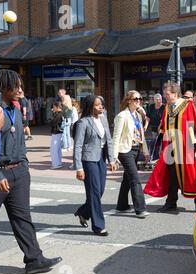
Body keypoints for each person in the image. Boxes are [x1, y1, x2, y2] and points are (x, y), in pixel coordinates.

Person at [0, 70, 62, 274]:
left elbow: (20, 142)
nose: (21, 90)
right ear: (4, 87)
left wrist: (24, 165)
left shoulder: (15, 109)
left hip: (19, 173)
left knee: (23, 218)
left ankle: (34, 259)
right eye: (16, 86)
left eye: (21, 85)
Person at [144, 82, 196, 213]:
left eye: (168, 94)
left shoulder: (187, 105)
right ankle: (171, 202)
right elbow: (164, 126)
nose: (166, 97)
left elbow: (195, 123)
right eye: (165, 94)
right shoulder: (167, 107)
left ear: (175, 93)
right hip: (171, 146)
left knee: (192, 174)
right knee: (172, 175)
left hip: (187, 146)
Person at [74, 95, 117, 236]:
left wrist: (112, 160)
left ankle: (83, 212)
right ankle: (99, 226)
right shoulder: (83, 123)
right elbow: (78, 146)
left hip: (101, 160)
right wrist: (79, 167)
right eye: (98, 105)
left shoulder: (103, 119)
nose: (101, 107)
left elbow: (109, 140)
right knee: (94, 193)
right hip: (88, 161)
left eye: (102, 104)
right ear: (90, 106)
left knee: (99, 191)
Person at [112, 90, 150, 218]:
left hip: (135, 149)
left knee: (127, 179)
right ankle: (140, 209)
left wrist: (145, 151)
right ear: (128, 101)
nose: (138, 101)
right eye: (135, 99)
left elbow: (141, 134)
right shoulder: (122, 116)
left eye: (140, 98)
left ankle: (122, 206)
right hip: (125, 150)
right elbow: (116, 137)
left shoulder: (138, 115)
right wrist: (113, 157)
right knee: (135, 179)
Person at [145, 93, 165, 160]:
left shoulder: (164, 107)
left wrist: (160, 126)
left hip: (162, 128)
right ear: (154, 100)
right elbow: (148, 118)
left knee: (161, 142)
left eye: (160, 99)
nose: (159, 101)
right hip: (154, 128)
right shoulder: (151, 107)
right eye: (157, 100)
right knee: (154, 142)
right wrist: (145, 126)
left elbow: (163, 118)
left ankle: (161, 157)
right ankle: (154, 157)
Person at [50, 102, 64, 169]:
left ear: (57, 107)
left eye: (54, 107)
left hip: (56, 132)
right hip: (59, 132)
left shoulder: (58, 115)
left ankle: (55, 164)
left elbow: (53, 123)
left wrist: (52, 114)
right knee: (58, 148)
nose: (53, 108)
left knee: (54, 149)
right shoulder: (62, 114)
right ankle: (59, 162)